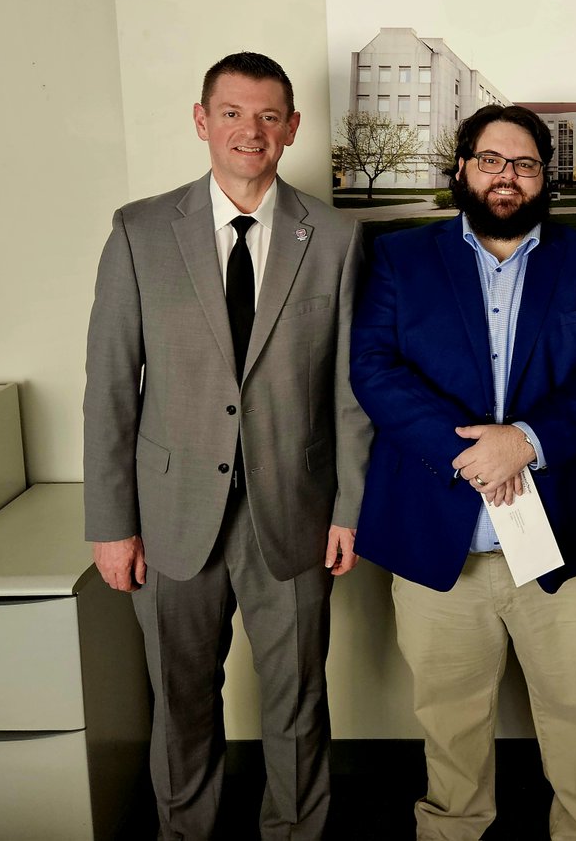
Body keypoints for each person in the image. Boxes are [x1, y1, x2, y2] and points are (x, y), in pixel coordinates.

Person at [83, 51, 369, 840]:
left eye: (270, 115)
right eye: (234, 113)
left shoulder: (336, 238)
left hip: (297, 514)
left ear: (293, 128)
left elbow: (350, 393)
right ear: (202, 121)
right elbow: (109, 386)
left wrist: (350, 508)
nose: (252, 130)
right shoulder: (140, 231)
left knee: (299, 703)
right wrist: (111, 523)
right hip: (170, 513)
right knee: (179, 705)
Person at [350, 103, 576, 841]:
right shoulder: (399, 257)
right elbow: (374, 370)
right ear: (462, 167)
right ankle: (453, 827)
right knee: (448, 716)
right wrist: (470, 452)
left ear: (544, 176)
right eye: (491, 160)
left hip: (564, 534)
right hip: (440, 532)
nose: (506, 178)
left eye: (523, 164)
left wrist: (526, 440)